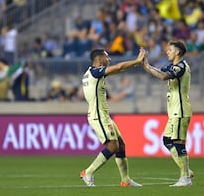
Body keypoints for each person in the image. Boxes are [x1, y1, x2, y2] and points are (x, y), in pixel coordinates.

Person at [80, 47, 146, 187]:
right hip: (99, 116)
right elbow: (119, 67)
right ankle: (88, 172)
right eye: (107, 57)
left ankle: (125, 180)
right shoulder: (95, 72)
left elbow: (118, 69)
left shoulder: (89, 73)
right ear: (99, 59)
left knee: (121, 145)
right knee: (112, 146)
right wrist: (137, 61)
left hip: (103, 115)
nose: (109, 59)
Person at [142, 40, 194, 187]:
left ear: (178, 52)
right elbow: (158, 72)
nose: (167, 52)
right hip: (174, 112)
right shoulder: (173, 67)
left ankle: (185, 178)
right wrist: (145, 63)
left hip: (180, 110)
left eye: (170, 49)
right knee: (167, 140)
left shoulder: (181, 67)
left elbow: (163, 76)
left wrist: (145, 65)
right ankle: (186, 170)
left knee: (178, 142)